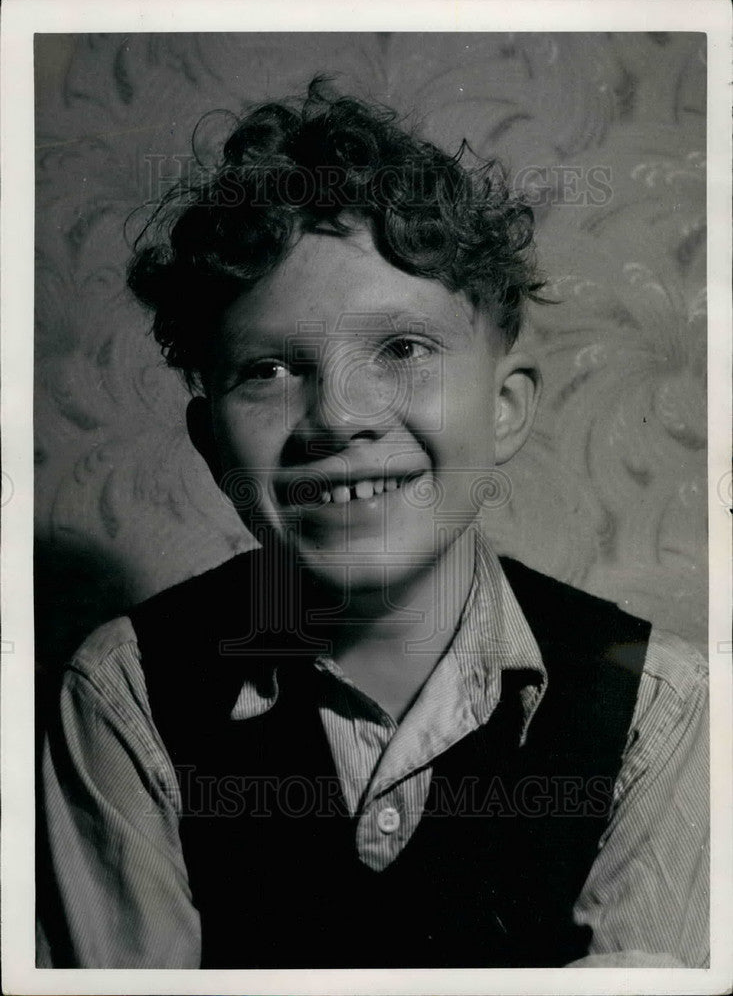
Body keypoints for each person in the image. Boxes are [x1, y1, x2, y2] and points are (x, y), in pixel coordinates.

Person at [37, 78, 709, 970]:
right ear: (209, 441)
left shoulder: (659, 710)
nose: (338, 417)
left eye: (402, 349)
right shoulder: (125, 694)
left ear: (504, 407)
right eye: (268, 369)